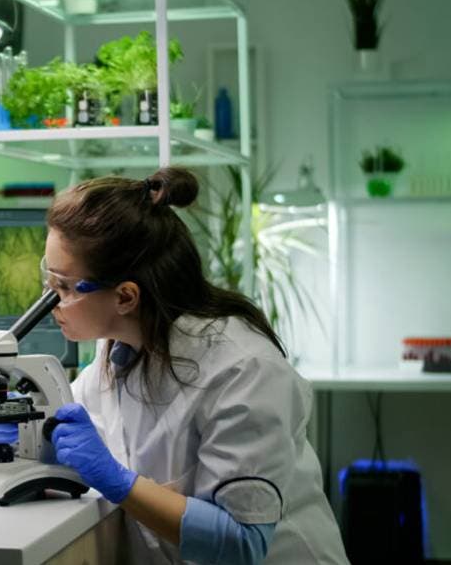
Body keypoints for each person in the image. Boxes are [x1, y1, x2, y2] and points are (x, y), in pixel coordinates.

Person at [33, 168, 347, 564]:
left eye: (63, 286)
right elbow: (78, 424)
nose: (50, 300)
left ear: (126, 297)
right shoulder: (117, 350)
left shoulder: (243, 370)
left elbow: (242, 542)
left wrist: (118, 482)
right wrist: (34, 431)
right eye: (49, 279)